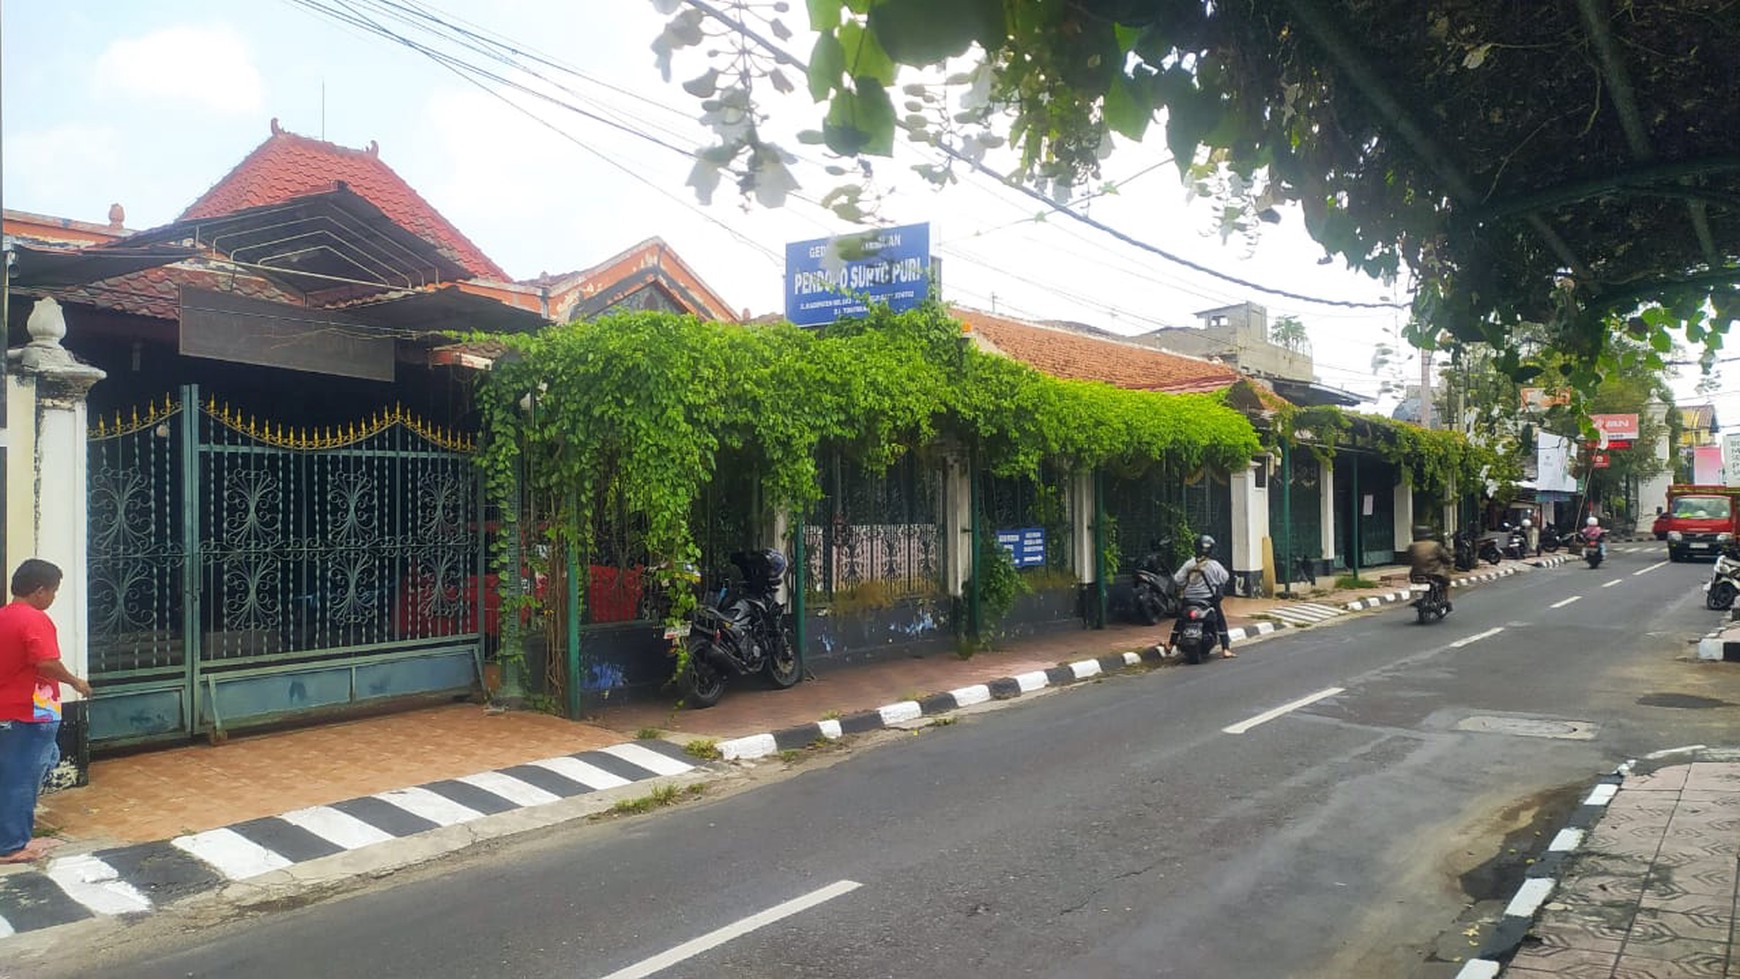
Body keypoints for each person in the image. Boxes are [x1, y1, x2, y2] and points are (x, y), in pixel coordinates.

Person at [1, 559, 89, 864]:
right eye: (53, 591)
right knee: (21, 778)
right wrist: (76, 681)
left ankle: (15, 835)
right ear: (40, 591)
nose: (53, 598)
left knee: (20, 772)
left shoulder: (4, 616)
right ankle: (12, 845)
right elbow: (47, 662)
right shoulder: (35, 620)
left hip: (12, 711)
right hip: (28, 713)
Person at [1168, 535, 1234, 658]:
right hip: (1208, 600)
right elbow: (1225, 578)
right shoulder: (1214, 565)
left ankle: (1170, 645)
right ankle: (1226, 649)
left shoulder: (1189, 563)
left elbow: (1178, 580)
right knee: (1220, 620)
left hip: (1189, 600)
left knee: (1180, 620)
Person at [1407, 525, 1454, 611]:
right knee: (1446, 582)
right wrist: (1450, 561)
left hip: (1416, 574)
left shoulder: (1412, 546)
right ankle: (1446, 601)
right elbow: (1445, 557)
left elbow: (1408, 559)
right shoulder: (1435, 545)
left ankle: (1419, 598)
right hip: (1434, 573)